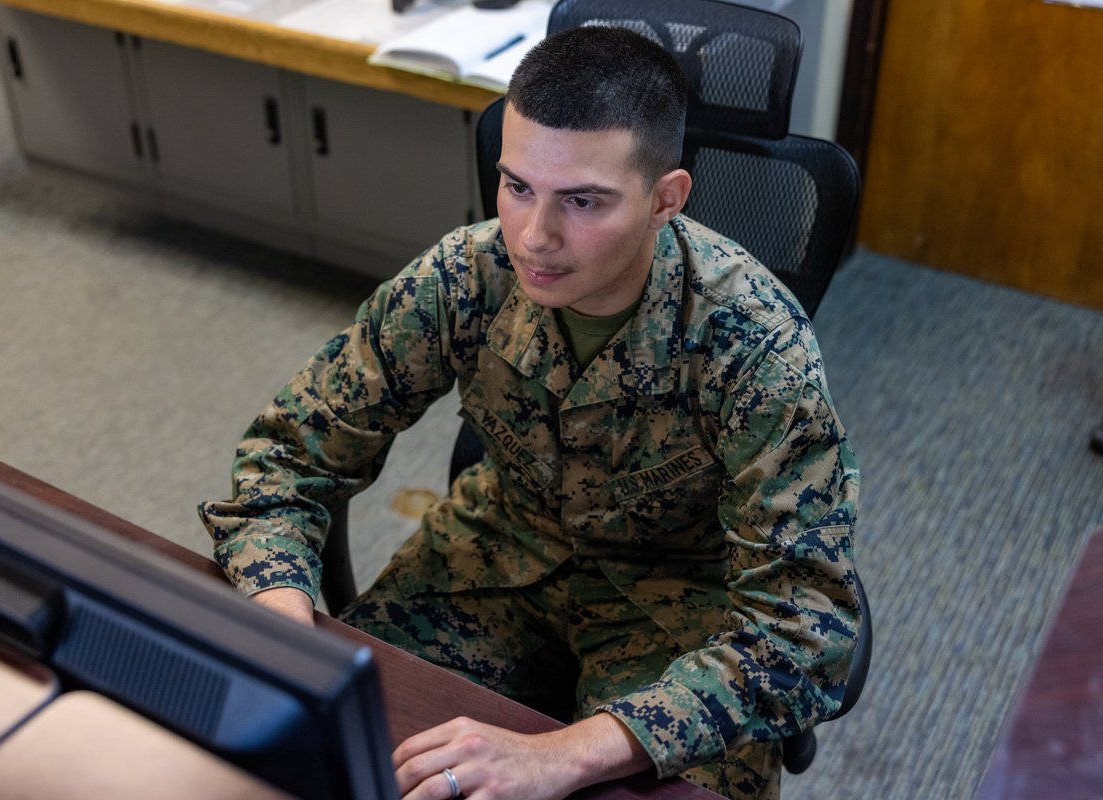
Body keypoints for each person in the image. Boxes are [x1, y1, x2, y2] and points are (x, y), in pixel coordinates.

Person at [200, 25, 860, 800]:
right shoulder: (467, 275)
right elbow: (288, 455)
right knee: (330, 751)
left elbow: (802, 632)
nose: (534, 238)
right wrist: (282, 608)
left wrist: (564, 755)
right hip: (495, 554)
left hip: (682, 610)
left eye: (583, 201)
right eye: (518, 187)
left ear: (666, 199)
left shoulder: (754, 346)